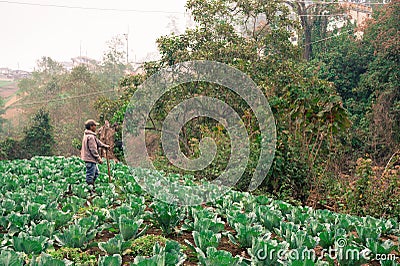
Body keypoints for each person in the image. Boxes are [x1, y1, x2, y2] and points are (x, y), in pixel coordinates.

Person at [81, 119, 109, 193]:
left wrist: (105, 146)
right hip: (90, 159)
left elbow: (98, 142)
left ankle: (91, 187)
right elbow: (93, 149)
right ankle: (89, 190)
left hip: (90, 159)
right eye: (95, 126)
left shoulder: (89, 135)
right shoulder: (90, 137)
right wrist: (99, 158)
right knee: (90, 175)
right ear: (91, 127)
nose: (96, 127)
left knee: (96, 173)